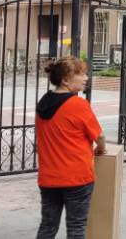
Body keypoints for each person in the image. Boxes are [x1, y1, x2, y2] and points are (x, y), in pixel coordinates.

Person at [35, 56, 106, 239]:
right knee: (76, 227)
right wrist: (100, 148)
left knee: (48, 225)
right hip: (76, 177)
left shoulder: (43, 103)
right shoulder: (78, 104)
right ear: (65, 80)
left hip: (49, 177)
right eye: (80, 74)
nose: (86, 78)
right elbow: (99, 136)